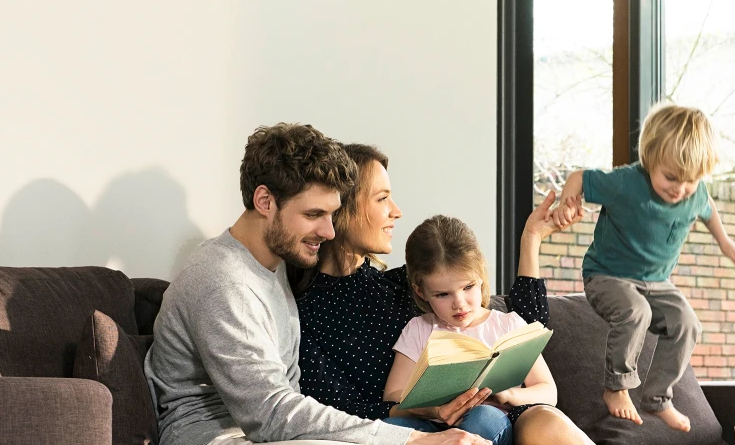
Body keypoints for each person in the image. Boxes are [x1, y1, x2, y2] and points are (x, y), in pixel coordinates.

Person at [147, 124, 495, 445]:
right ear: (265, 202)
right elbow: (268, 414)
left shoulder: (274, 267)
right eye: (314, 215)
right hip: (218, 436)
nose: (329, 232)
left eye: (331, 215)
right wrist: (411, 440)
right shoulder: (221, 280)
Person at [292, 144, 583, 443]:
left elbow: (525, 328)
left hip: (483, 422)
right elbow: (335, 409)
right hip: (403, 431)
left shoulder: (398, 285)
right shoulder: (302, 311)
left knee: (513, 422)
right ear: (342, 207)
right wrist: (425, 411)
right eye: (382, 198)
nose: (396, 211)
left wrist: (531, 239)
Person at [551, 104, 735, 432]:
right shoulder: (626, 183)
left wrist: (725, 243)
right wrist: (566, 203)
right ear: (650, 158)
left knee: (687, 325)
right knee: (636, 312)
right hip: (607, 275)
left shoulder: (693, 191)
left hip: (657, 282)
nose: (680, 189)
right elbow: (578, 179)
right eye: (671, 177)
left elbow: (707, 206)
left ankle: (657, 399)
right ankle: (616, 388)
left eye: (689, 181)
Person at [383, 215, 592, 445]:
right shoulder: (419, 329)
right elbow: (392, 396)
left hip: (490, 424)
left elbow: (548, 391)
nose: (459, 303)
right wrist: (432, 407)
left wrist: (509, 395)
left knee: (483, 417)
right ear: (421, 291)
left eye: (468, 287)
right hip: (435, 426)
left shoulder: (508, 325)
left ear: (481, 277)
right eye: (442, 294)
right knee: (391, 428)